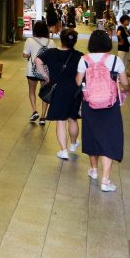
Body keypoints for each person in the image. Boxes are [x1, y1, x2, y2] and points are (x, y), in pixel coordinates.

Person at [78, 30, 130, 192]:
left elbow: (78, 81)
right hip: (110, 104)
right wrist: (125, 90)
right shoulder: (115, 60)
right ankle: (105, 180)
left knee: (92, 135)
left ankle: (93, 170)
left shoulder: (84, 60)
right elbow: (125, 82)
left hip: (90, 103)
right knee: (109, 139)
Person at [34, 28, 82, 160]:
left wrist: (45, 76)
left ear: (61, 39)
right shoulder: (79, 56)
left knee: (60, 121)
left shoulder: (51, 53)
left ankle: (63, 150)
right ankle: (73, 144)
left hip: (57, 90)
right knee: (72, 118)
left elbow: (37, 61)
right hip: (74, 91)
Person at [23, 23, 53, 124]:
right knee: (45, 93)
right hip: (45, 72)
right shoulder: (51, 42)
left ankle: (34, 111)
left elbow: (25, 54)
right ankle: (43, 117)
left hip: (32, 71)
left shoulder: (30, 40)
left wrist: (30, 54)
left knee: (32, 91)